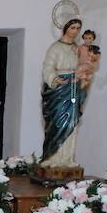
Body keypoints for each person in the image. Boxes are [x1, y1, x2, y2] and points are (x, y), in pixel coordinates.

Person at [40, 18, 88, 167]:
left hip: (73, 88)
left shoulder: (78, 49)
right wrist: (54, 79)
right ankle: (52, 158)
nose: (75, 31)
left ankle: (67, 159)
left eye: (78, 28)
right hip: (59, 90)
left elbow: (84, 65)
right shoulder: (55, 48)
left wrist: (83, 72)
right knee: (58, 123)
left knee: (72, 122)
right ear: (66, 28)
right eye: (73, 27)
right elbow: (47, 67)